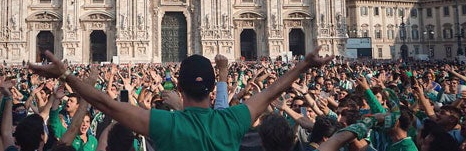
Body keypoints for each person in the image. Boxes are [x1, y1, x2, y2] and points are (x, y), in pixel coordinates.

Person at [29, 46, 333, 151]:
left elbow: (105, 103)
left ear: (178, 86)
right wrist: (304, 64)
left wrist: (65, 75)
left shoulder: (165, 125)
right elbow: (272, 91)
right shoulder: (233, 121)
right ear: (213, 87)